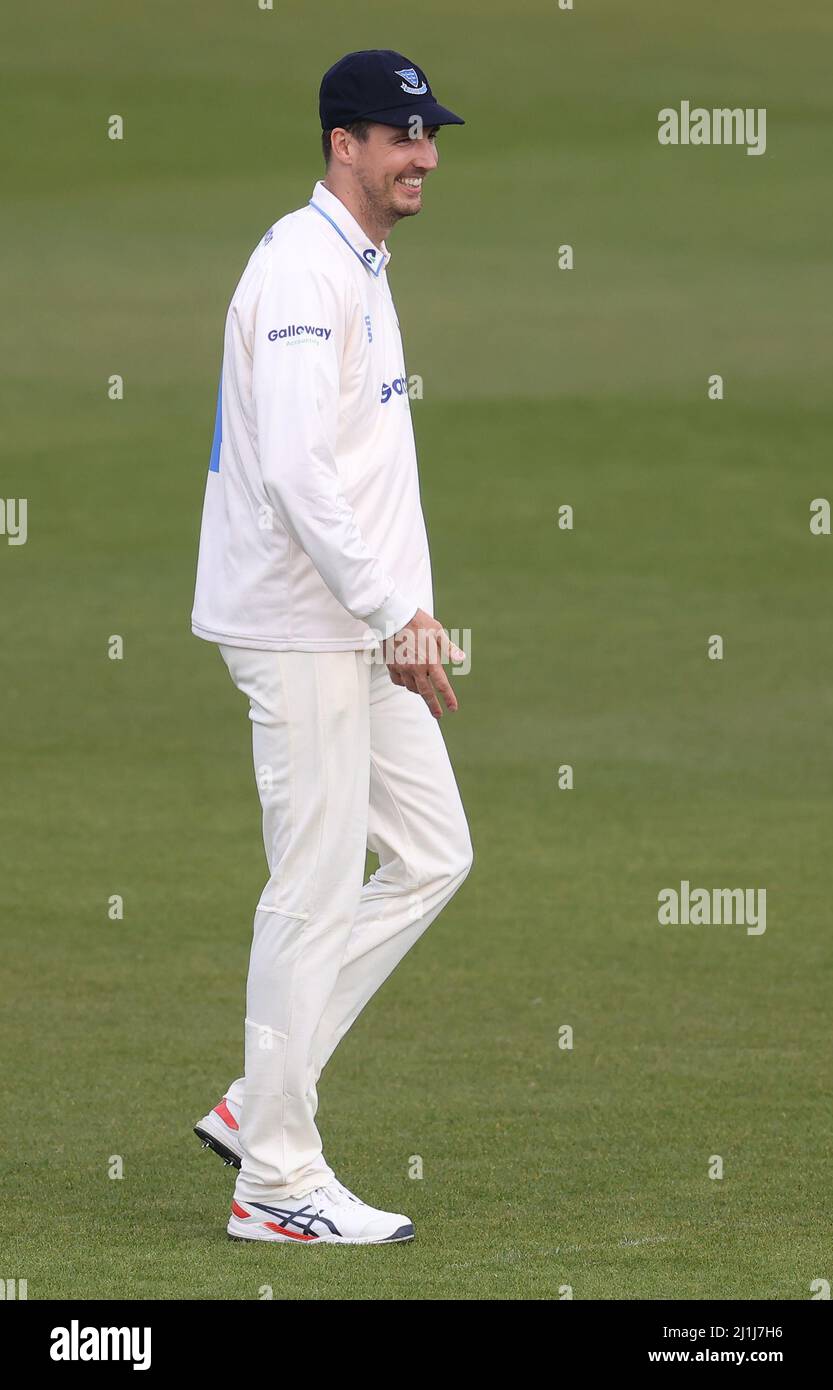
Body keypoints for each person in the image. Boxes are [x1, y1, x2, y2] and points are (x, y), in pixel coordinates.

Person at [190, 49, 472, 1245]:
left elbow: (350, 465)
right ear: (338, 144)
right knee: (307, 894)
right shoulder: (308, 268)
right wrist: (393, 612)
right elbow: (302, 472)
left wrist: (394, 610)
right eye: (395, 136)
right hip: (306, 627)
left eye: (427, 135)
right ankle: (277, 1184)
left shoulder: (356, 261)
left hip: (355, 624)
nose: (421, 156)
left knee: (429, 853)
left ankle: (261, 1093)